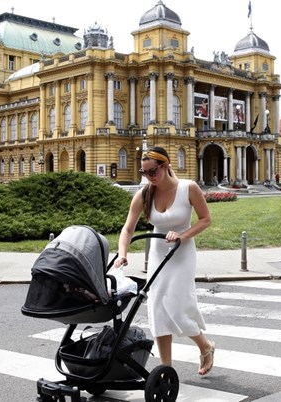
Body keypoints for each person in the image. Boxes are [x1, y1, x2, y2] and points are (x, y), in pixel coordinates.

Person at [114, 146, 216, 376]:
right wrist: (123, 254)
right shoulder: (144, 194)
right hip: (158, 253)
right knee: (157, 309)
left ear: (166, 165)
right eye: (144, 172)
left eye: (152, 172)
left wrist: (182, 235)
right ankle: (165, 371)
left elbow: (205, 220)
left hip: (182, 253)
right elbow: (128, 229)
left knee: (178, 308)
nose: (148, 177)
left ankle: (205, 346)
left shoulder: (188, 188)